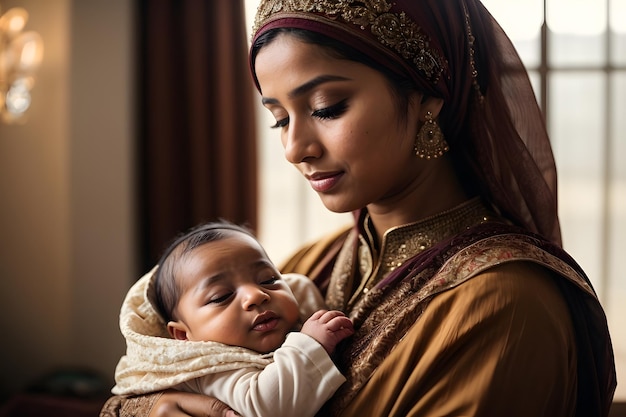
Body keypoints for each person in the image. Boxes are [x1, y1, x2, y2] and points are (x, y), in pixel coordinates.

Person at [101, 0, 617, 416]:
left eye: (326, 107)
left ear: (426, 97)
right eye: (280, 118)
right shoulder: (308, 268)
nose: (294, 147)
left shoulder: (503, 303)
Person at [108, 221, 353, 417]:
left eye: (268, 280)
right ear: (184, 336)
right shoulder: (208, 366)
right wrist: (311, 346)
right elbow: (267, 408)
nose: (256, 295)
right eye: (221, 296)